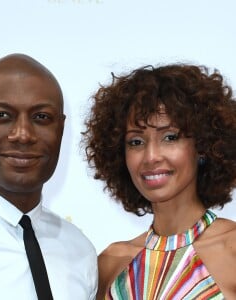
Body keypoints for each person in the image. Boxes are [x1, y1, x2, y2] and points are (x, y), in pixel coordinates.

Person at [0, 53, 98, 300]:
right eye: (2, 116)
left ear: (61, 129)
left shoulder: (80, 251)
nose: (23, 134)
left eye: (41, 117)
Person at [82, 63, 236, 299]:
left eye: (170, 137)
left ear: (204, 146)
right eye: (136, 142)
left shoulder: (232, 249)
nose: (151, 156)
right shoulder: (111, 263)